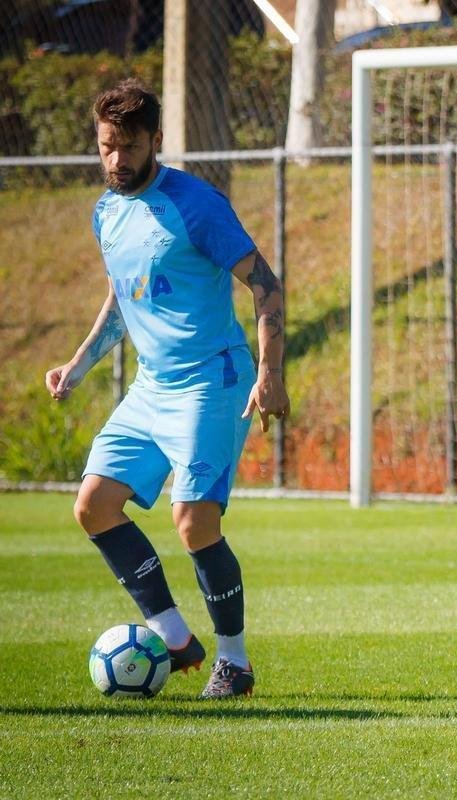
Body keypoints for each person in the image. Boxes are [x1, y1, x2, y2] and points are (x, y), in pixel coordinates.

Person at [45, 79, 289, 700]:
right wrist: (78, 364)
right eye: (106, 147)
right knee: (94, 505)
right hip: (151, 387)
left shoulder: (196, 204)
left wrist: (270, 373)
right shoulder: (106, 212)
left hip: (213, 380)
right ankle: (176, 639)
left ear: (155, 139)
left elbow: (265, 284)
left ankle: (233, 664)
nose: (116, 160)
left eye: (128, 147)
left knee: (193, 521)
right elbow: (124, 298)